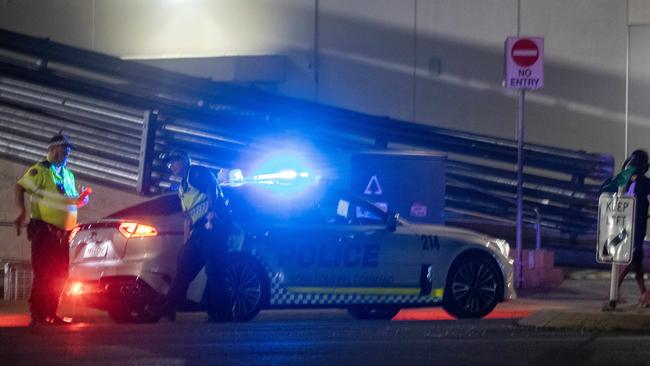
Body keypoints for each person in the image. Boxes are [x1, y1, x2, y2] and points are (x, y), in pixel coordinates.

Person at [14, 132, 89, 326]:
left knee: (60, 273)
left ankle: (51, 312)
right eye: (64, 150)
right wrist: (22, 211)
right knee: (44, 273)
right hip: (44, 230)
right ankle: (38, 314)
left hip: (62, 234)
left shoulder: (68, 174)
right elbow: (20, 187)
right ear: (52, 149)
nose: (67, 155)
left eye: (69, 152)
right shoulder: (41, 170)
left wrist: (81, 200)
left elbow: (71, 200)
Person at [160, 149, 233, 322]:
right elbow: (187, 218)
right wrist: (186, 242)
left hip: (213, 227)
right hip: (199, 231)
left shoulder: (195, 173)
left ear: (185, 160)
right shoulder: (182, 188)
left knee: (214, 270)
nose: (172, 166)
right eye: (169, 163)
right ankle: (169, 307)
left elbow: (212, 187)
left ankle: (223, 314)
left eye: (174, 161)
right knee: (185, 266)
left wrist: (213, 211)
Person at [602, 149, 650, 304]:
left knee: (636, 261)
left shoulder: (624, 179)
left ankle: (643, 293)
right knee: (628, 259)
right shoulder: (646, 183)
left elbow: (605, 190)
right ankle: (613, 292)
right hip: (635, 229)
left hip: (621, 227)